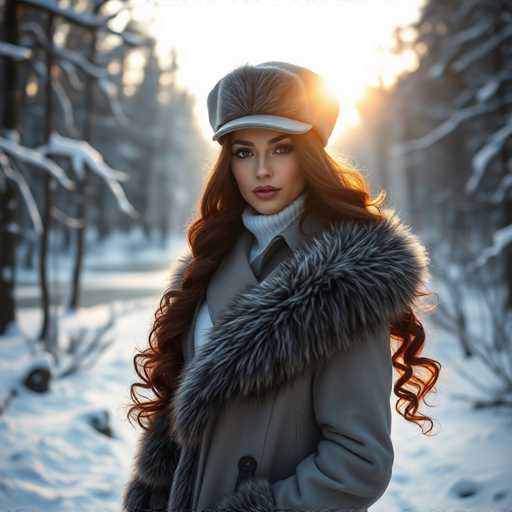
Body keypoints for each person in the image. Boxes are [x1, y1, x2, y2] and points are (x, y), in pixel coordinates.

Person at [122, 61, 441, 512]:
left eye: (282, 148)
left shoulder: (347, 280)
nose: (263, 170)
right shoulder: (209, 264)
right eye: (244, 151)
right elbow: (184, 418)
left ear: (309, 154)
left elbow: (359, 461)